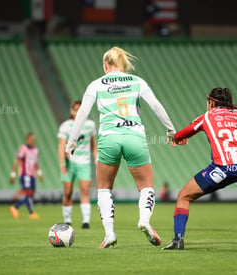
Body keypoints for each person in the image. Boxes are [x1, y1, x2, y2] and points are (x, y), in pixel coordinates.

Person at [65, 46, 176, 248]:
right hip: (134, 136)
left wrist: (72, 141)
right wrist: (170, 130)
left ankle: (110, 234)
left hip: (108, 138)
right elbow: (156, 105)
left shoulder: (96, 84)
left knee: (104, 188)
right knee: (146, 187)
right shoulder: (137, 81)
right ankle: (144, 220)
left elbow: (82, 113)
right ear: (123, 64)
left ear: (105, 65)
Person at [162, 87, 237, 250]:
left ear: (211, 102)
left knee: (184, 196)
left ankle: (178, 240)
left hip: (224, 167)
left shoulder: (207, 117)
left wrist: (177, 138)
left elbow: (180, 134)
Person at [58, 100, 98, 229]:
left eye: (80, 109)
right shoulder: (66, 126)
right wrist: (61, 163)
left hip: (84, 162)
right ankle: (68, 220)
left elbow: (92, 143)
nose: (77, 112)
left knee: (85, 190)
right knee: (68, 192)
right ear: (71, 111)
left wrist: (96, 157)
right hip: (69, 162)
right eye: (75, 109)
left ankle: (86, 221)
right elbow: (61, 145)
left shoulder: (90, 125)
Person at [9, 133, 43, 219]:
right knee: (28, 194)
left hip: (32, 175)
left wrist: (39, 173)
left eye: (33, 139)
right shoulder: (22, 149)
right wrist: (13, 174)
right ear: (27, 140)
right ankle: (16, 207)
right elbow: (17, 161)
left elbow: (35, 162)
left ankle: (30, 213)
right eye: (31, 139)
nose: (32, 141)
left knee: (31, 195)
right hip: (25, 174)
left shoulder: (36, 149)